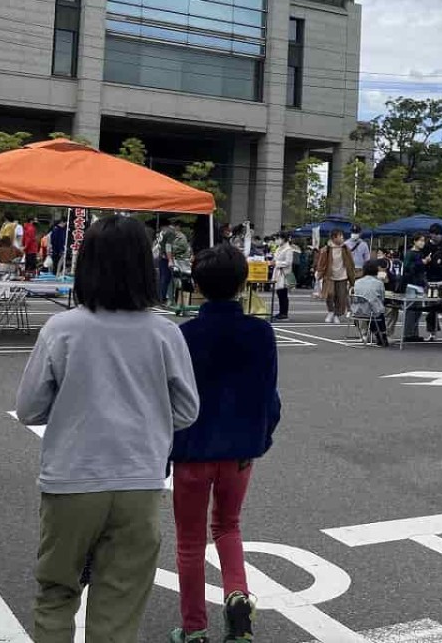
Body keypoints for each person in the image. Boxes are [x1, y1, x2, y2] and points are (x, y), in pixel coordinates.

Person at [16, 216, 199, 643]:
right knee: (119, 603)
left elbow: (28, 409)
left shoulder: (62, 329)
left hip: (71, 479)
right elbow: (187, 410)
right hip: (140, 481)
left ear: (87, 265)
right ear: (144, 267)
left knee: (57, 591)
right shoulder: (164, 332)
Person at [169, 244, 280, 643]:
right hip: (240, 450)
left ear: (196, 284)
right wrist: (260, 438)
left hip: (192, 449)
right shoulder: (261, 332)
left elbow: (173, 398)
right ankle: (236, 595)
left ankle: (194, 627)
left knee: (189, 540)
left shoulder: (183, 335)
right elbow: (269, 395)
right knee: (228, 526)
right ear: (241, 282)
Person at [315, 229, 356, 324]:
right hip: (329, 276)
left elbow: (351, 262)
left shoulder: (345, 248)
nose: (342, 238)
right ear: (334, 238)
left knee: (341, 296)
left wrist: (352, 275)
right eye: (340, 236)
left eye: (342, 236)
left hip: (343, 276)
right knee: (330, 294)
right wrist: (319, 273)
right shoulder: (326, 249)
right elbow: (321, 263)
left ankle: (337, 314)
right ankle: (330, 311)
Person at [401, 233, 432, 342]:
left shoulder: (421, 253)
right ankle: (408, 334)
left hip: (420, 284)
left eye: (423, 240)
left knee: (417, 310)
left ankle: (414, 333)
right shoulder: (410, 253)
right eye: (420, 240)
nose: (422, 243)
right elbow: (407, 268)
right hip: (411, 284)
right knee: (411, 309)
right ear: (414, 241)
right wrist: (422, 262)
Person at [352, 258, 389, 346]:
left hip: (358, 310)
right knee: (378, 310)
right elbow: (382, 297)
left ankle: (374, 333)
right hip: (373, 311)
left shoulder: (357, 282)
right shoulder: (379, 283)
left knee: (372, 308)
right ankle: (382, 333)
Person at [271, 233, 295, 321]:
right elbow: (276, 259)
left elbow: (288, 262)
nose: (277, 240)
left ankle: (284, 314)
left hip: (285, 274)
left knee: (283, 294)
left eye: (278, 238)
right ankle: (281, 312)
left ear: (284, 239)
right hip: (278, 273)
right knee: (279, 293)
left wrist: (276, 263)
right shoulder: (278, 248)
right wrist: (274, 261)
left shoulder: (288, 249)